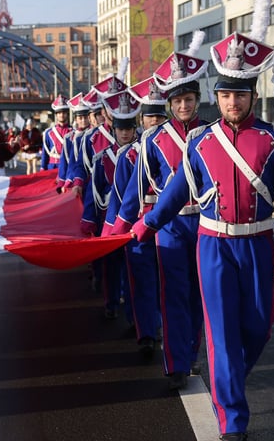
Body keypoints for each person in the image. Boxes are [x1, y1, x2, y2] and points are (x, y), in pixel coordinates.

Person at [132, 1, 274, 440]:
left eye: (240, 94)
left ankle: (228, 382)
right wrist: (148, 222)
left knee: (259, 327)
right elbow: (176, 192)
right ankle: (233, 421)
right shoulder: (201, 141)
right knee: (222, 334)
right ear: (218, 96)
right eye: (225, 94)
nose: (231, 102)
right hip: (212, 245)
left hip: (258, 244)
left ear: (251, 95)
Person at [112, 44, 212, 391]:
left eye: (189, 99)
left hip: (206, 224)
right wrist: (118, 230)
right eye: (177, 101)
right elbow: (136, 193)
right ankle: (176, 363)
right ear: (168, 103)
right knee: (173, 293)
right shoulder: (153, 139)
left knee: (200, 293)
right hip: (169, 226)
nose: (183, 106)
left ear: (198, 100)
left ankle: (192, 350)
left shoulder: (212, 135)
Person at [101, 81, 167, 359]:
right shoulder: (129, 155)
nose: (154, 121)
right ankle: (147, 334)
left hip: (170, 225)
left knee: (171, 282)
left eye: (159, 116)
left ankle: (166, 327)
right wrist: (114, 231)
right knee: (141, 282)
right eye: (149, 116)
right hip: (139, 223)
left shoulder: (179, 147)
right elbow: (121, 197)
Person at [80, 90, 140, 322]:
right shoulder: (102, 158)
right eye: (121, 129)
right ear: (114, 131)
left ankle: (131, 311)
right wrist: (88, 219)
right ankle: (111, 301)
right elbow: (92, 192)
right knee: (110, 265)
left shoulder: (140, 154)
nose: (125, 133)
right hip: (108, 218)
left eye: (129, 129)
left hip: (134, 219)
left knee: (132, 266)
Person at [40, 95, 72, 176]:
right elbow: (45, 154)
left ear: (67, 114)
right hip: (52, 167)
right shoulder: (49, 133)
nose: (62, 115)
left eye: (64, 112)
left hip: (68, 168)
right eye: (59, 113)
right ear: (56, 115)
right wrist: (43, 168)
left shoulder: (73, 132)